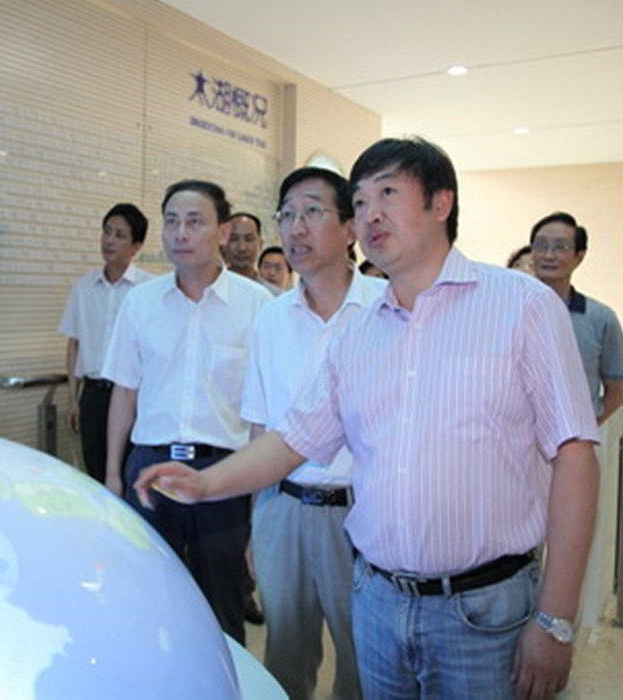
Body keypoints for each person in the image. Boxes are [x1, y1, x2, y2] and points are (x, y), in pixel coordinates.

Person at [135, 137, 601, 699]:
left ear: (441, 203)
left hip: (483, 609)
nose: (371, 213)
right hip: (379, 602)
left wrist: (556, 619)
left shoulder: (521, 305)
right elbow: (292, 440)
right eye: (360, 201)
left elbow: (575, 455)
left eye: (388, 193)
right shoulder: (358, 332)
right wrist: (206, 483)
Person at [101, 180, 272, 644]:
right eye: (172, 221)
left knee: (223, 610)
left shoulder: (257, 306)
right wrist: (113, 477)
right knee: (150, 601)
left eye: (195, 222)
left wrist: (259, 505)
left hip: (225, 474)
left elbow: (263, 415)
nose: (180, 233)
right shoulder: (141, 302)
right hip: (150, 471)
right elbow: (124, 393)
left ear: (223, 232)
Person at [243, 167, 385, 699]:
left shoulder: (387, 307)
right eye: (286, 215)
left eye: (311, 212)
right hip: (282, 508)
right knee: (285, 656)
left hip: (363, 511)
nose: (295, 228)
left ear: (350, 228)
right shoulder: (270, 318)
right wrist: (255, 524)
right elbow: (260, 427)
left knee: (364, 658)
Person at [58, 203, 152, 483]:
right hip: (94, 395)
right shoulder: (83, 288)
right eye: (107, 232)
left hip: (134, 396)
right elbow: (74, 344)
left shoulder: (148, 291)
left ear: (136, 247)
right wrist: (73, 399)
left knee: (132, 474)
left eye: (119, 235)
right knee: (96, 473)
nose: (109, 240)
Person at [530, 212, 623, 424]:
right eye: (541, 245)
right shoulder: (510, 311)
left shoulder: (601, 318)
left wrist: (586, 429)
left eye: (560, 247)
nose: (548, 255)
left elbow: (615, 390)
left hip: (575, 434)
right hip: (518, 436)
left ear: (579, 256)